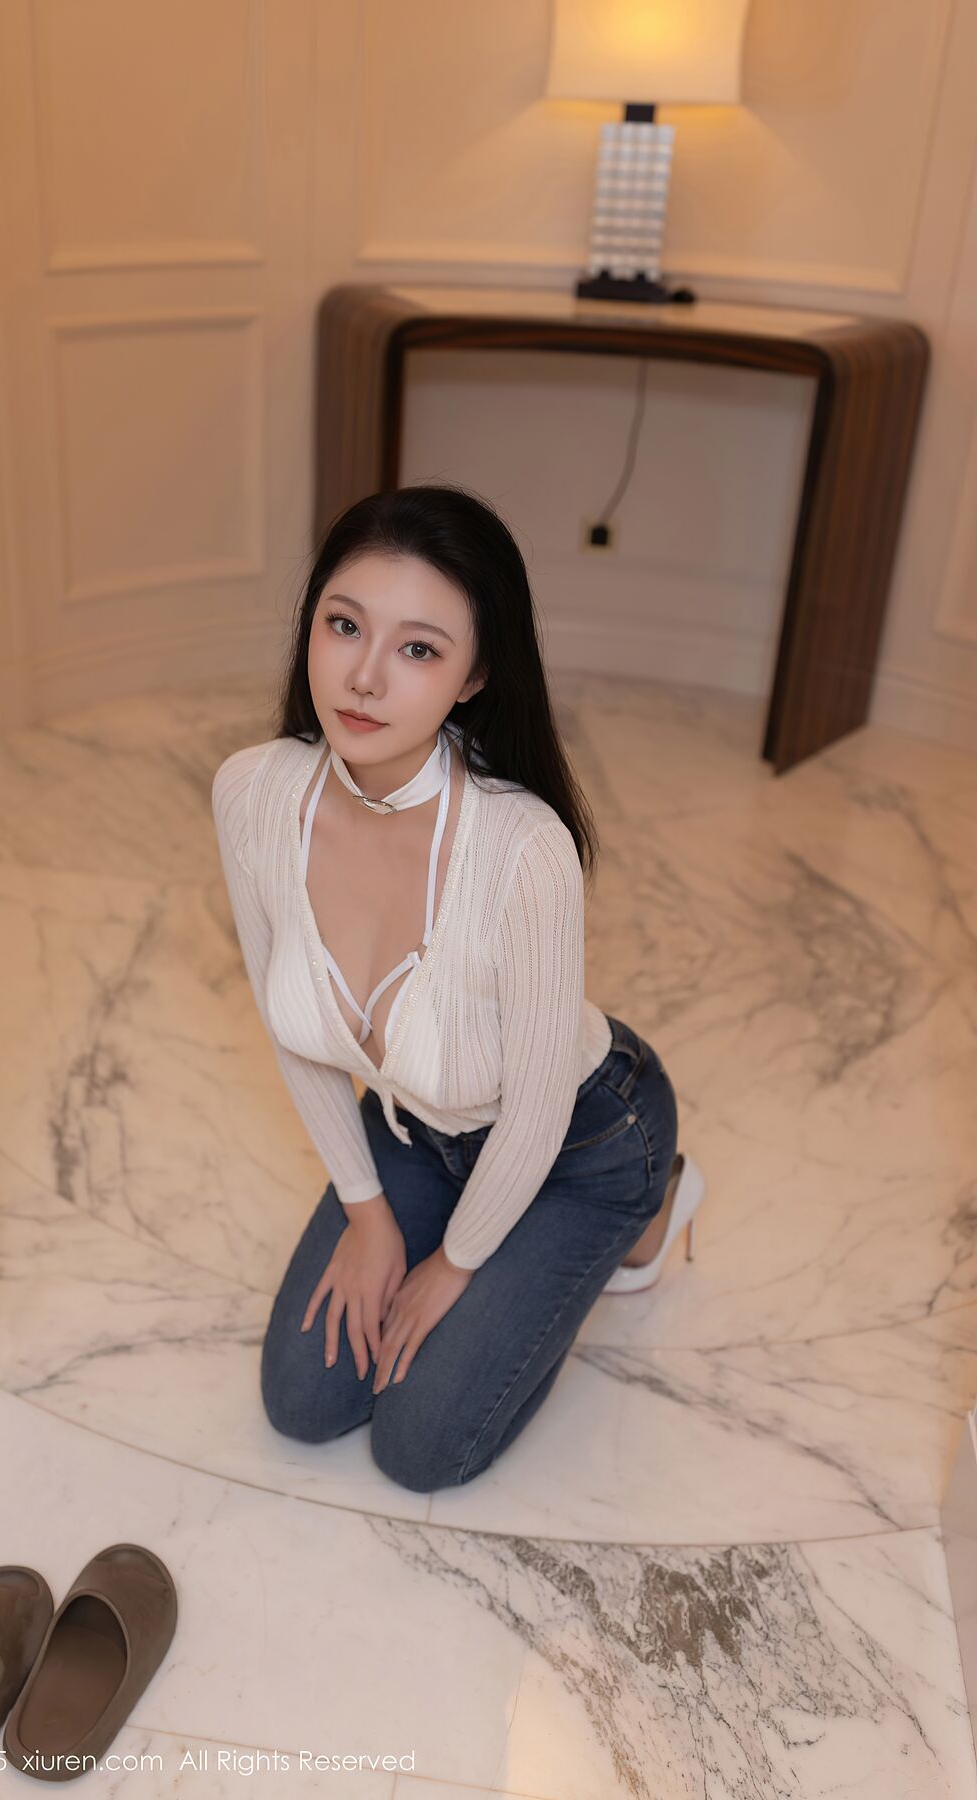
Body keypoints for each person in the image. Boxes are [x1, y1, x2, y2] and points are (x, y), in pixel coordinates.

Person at [211, 484, 704, 1493]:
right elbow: (289, 1030)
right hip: (414, 1129)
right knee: (302, 1403)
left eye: (419, 649)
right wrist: (367, 1214)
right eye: (344, 625)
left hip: (578, 1141)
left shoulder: (522, 847)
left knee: (420, 1448)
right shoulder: (253, 793)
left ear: (475, 676)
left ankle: (658, 1199)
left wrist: (458, 1263)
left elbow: (535, 1110)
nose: (363, 676)